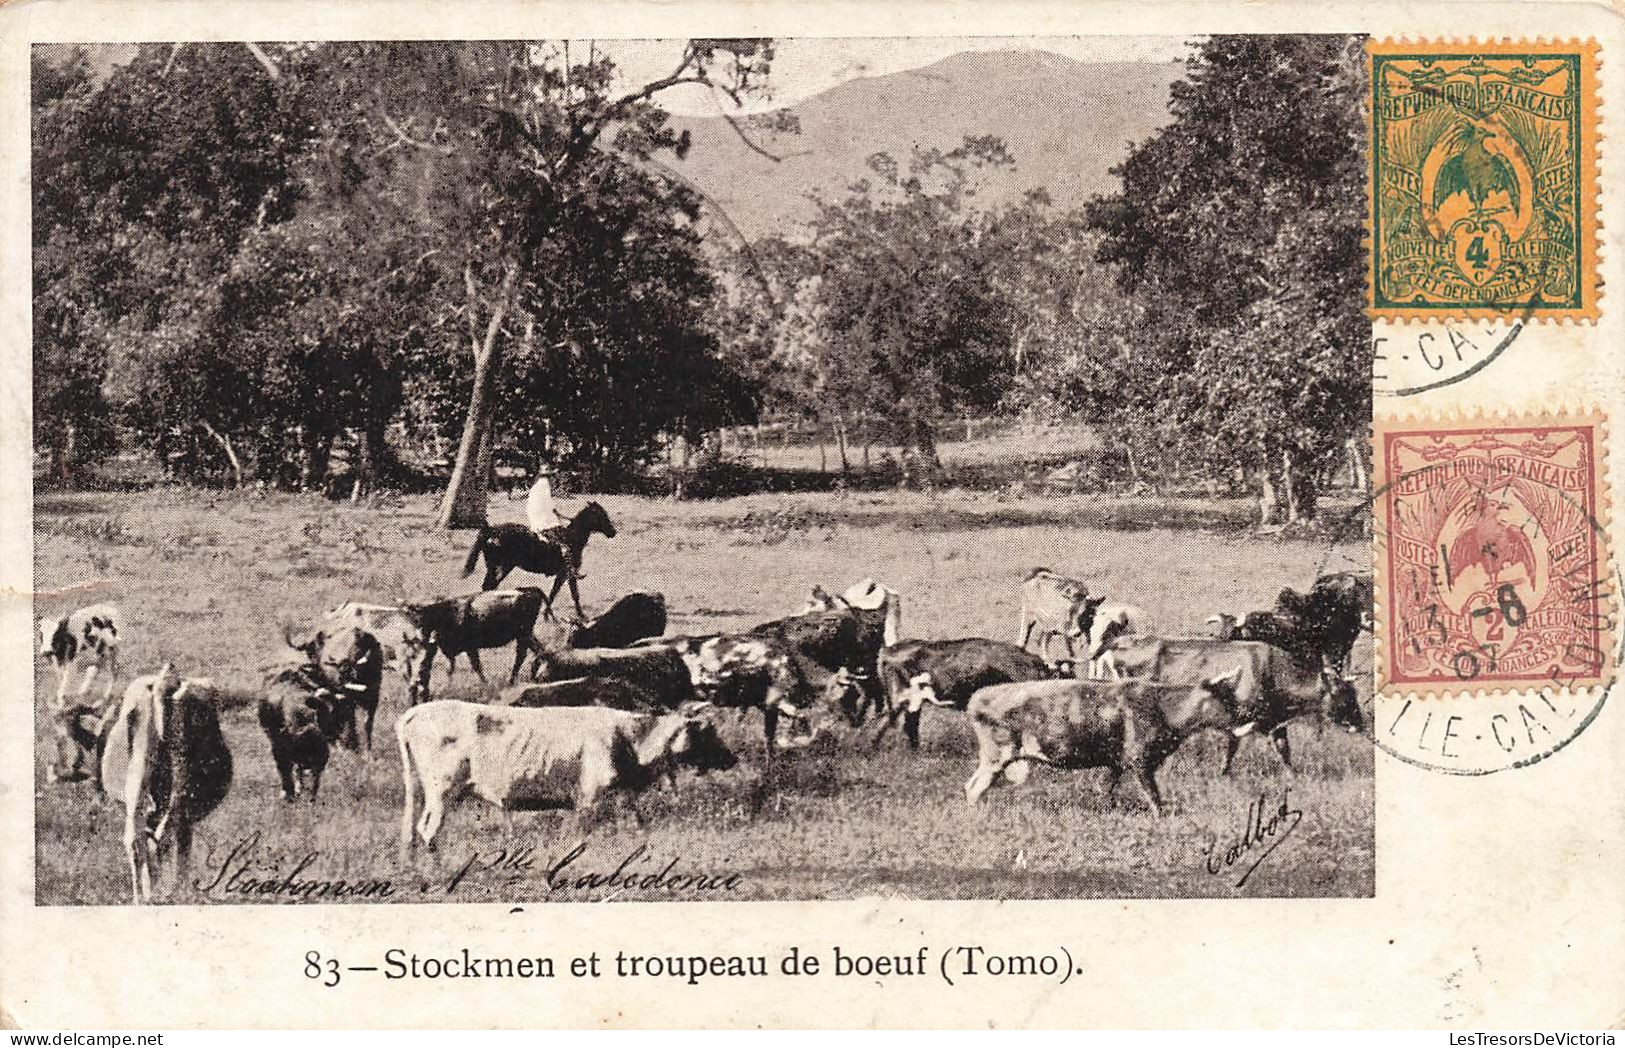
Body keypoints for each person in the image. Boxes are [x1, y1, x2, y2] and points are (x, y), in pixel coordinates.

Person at [525, 463, 571, 538]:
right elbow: (544, 500)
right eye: (546, 469)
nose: (547, 471)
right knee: (550, 526)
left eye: (548, 469)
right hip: (538, 510)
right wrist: (555, 512)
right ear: (540, 471)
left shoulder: (542, 481)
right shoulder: (543, 482)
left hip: (537, 509)